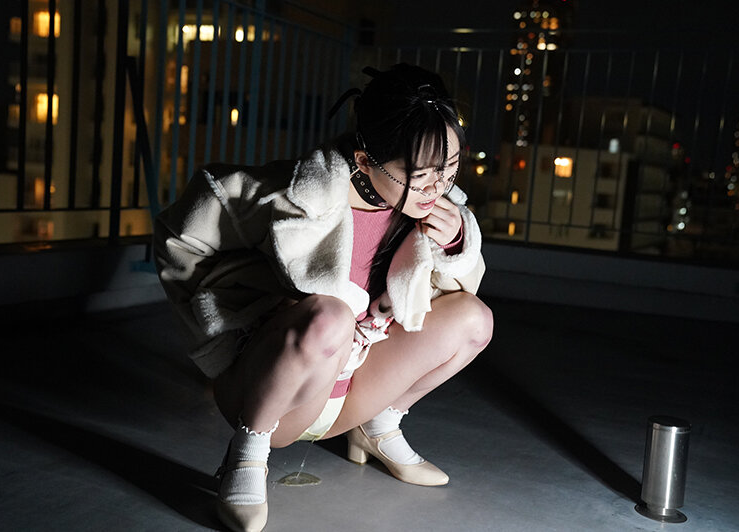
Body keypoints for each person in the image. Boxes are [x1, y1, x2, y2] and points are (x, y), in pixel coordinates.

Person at [153, 63, 494, 532]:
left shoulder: (435, 206)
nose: (439, 187)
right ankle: (246, 455)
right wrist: (220, 334)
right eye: (421, 174)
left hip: (360, 384)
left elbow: (457, 289)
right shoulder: (293, 195)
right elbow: (179, 237)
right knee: (330, 316)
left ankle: (377, 429)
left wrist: (454, 242)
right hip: (279, 396)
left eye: (450, 167)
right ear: (365, 161)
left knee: (475, 320)